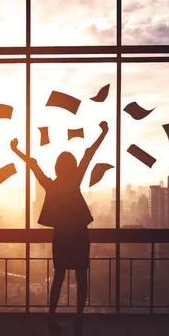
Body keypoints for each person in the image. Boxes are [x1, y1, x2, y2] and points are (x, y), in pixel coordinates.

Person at [11, 121, 109, 325]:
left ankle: (52, 314)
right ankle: (79, 316)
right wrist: (103, 133)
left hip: (62, 237)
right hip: (79, 235)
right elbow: (89, 154)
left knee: (59, 276)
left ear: (57, 167)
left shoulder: (51, 186)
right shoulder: (74, 181)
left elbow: (33, 165)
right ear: (72, 166)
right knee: (81, 278)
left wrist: (16, 150)